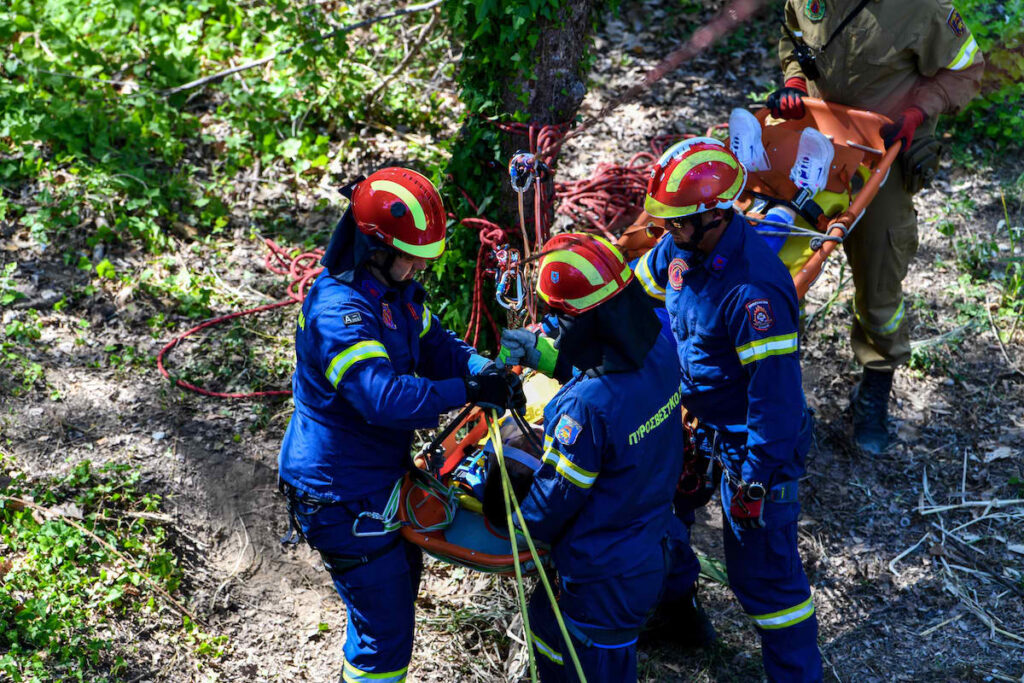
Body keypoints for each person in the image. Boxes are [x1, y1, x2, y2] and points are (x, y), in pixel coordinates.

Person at [277, 167, 524, 683]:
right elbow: (381, 397)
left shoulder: (393, 291)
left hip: (375, 479)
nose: (418, 267)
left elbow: (436, 343)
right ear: (376, 248)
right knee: (384, 635)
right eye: (412, 255)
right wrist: (468, 392)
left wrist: (481, 370)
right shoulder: (340, 312)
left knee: (390, 606)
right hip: (339, 492)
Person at [635, 138, 822, 681]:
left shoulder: (752, 290)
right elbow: (634, 291)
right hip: (696, 422)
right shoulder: (681, 245)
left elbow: (775, 397)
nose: (665, 234)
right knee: (659, 517)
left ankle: (794, 674)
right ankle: (679, 619)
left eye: (675, 224)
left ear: (713, 216)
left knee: (764, 576)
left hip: (750, 441)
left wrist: (757, 479)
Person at [768, 0, 984, 453]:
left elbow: (965, 67)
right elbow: (792, 34)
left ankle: (875, 388)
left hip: (881, 155)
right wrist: (792, 80)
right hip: (813, 146)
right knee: (780, 269)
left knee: (880, 278)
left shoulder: (920, 7)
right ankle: (777, 384)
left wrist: (917, 113)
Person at [497, 233, 703, 682]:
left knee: (576, 663)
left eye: (558, 318)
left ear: (583, 322)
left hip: (601, 575)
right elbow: (615, 376)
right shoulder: (659, 347)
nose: (552, 328)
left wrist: (515, 535)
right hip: (651, 538)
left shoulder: (585, 409)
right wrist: (544, 358)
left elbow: (556, 495)